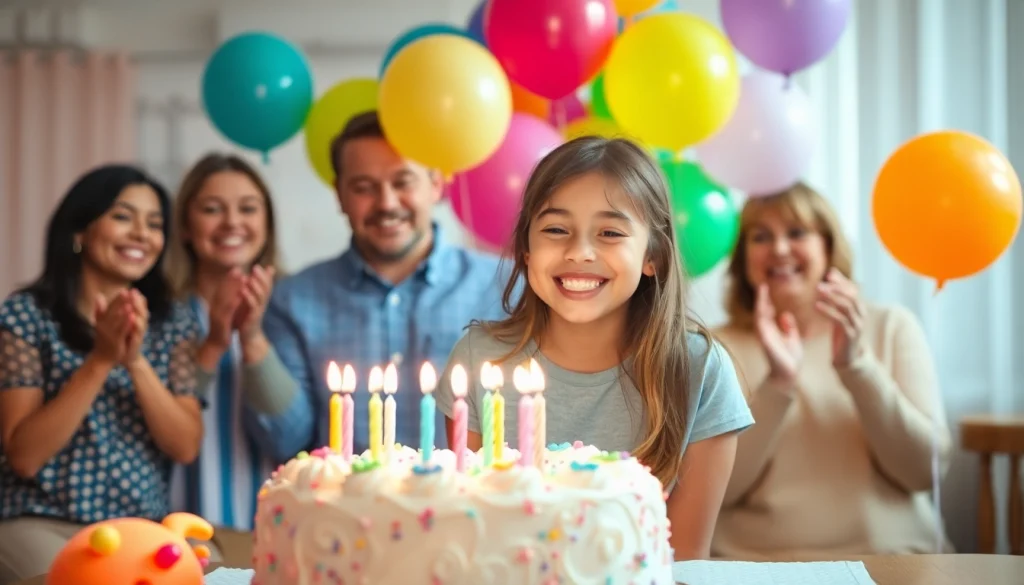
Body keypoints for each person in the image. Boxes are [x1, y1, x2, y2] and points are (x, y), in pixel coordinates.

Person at [433, 136, 755, 561]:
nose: (579, 252)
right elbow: (470, 537)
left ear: (652, 256)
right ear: (527, 250)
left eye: (609, 232)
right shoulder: (478, 359)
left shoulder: (699, 370)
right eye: (555, 229)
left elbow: (685, 557)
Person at [245, 111, 509, 463]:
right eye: (363, 187)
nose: (386, 203)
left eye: (403, 182)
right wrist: (251, 341)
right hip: (347, 514)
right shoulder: (293, 300)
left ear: (435, 185)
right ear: (339, 195)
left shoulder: (505, 287)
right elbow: (286, 443)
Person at [710, 182, 953, 558]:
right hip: (755, 566)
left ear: (828, 246)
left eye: (797, 232)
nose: (779, 249)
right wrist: (779, 384)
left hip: (892, 561)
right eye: (760, 237)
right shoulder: (712, 347)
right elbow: (716, 492)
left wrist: (857, 367)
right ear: (743, 259)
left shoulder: (891, 326)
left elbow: (924, 472)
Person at [0, 165, 204, 583]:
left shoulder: (174, 321)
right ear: (79, 231)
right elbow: (23, 456)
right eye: (123, 216)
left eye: (154, 223)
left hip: (140, 527)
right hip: (40, 520)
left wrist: (134, 361)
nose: (141, 234)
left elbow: (185, 445)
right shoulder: (27, 315)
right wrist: (99, 360)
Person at [163, 153, 289, 547]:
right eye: (212, 209)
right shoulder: (159, 313)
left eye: (248, 208)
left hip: (269, 530)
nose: (232, 222)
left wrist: (250, 336)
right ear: (185, 226)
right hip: (175, 526)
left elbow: (291, 429)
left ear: (266, 225)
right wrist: (215, 342)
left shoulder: (290, 307)